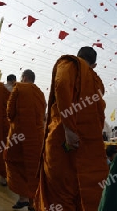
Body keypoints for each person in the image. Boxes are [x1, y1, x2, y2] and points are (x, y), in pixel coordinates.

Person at [34, 47, 108, 211]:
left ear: (78, 56)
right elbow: (98, 114)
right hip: (86, 146)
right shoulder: (96, 80)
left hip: (63, 139)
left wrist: (68, 128)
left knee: (59, 191)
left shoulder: (69, 64)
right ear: (94, 65)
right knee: (80, 191)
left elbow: (60, 85)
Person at [4, 70, 46, 210]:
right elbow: (42, 115)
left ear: (25, 78)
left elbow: (10, 112)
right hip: (36, 138)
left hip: (19, 137)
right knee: (33, 169)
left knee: (15, 165)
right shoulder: (40, 94)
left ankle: (23, 198)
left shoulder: (19, 88)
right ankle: (32, 202)